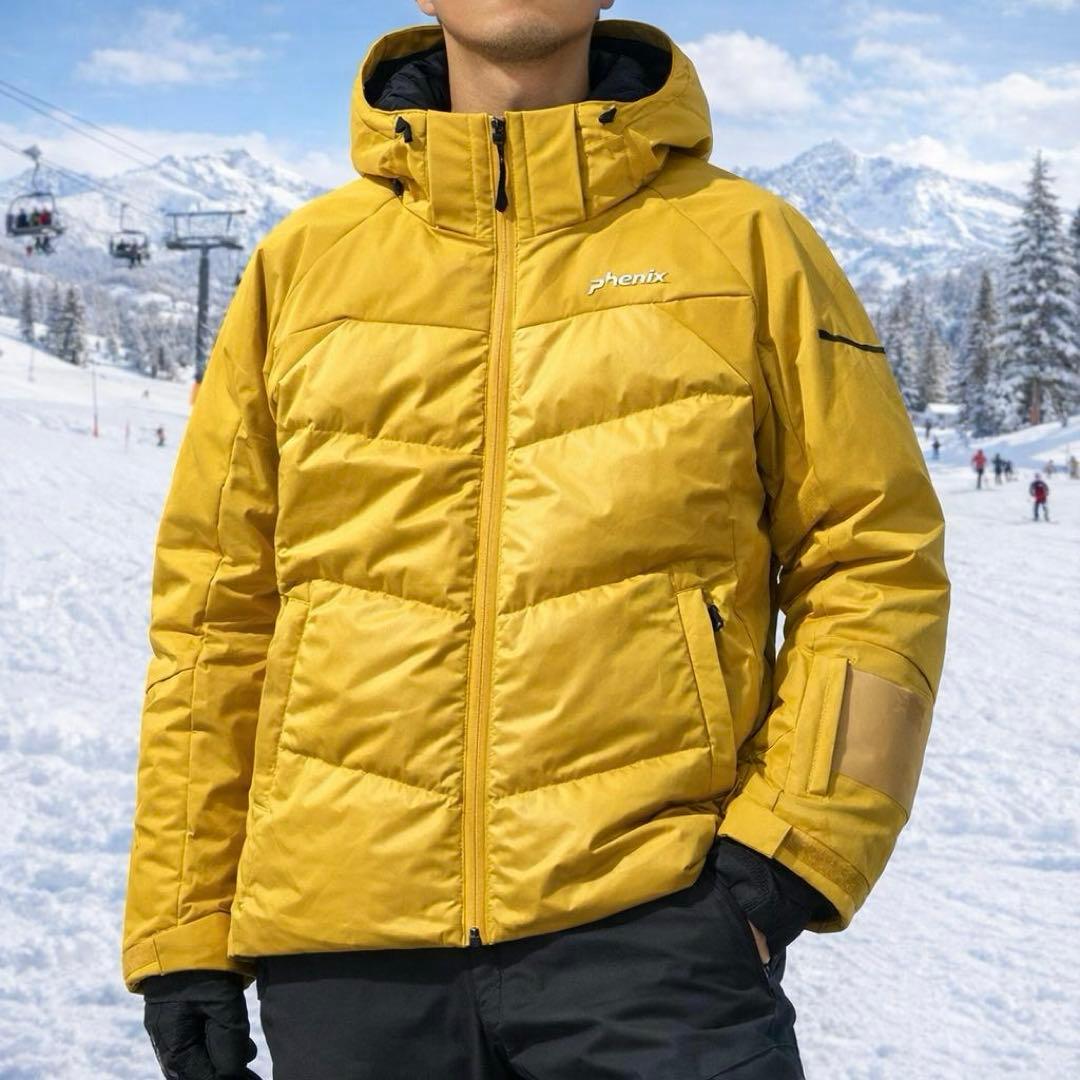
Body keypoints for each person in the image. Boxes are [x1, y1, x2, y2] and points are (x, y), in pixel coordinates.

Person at [122, 5, 951, 1079]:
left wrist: (787, 860)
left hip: (655, 936)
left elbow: (875, 558)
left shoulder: (747, 245)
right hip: (347, 959)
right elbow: (215, 614)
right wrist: (183, 928)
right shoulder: (302, 267)